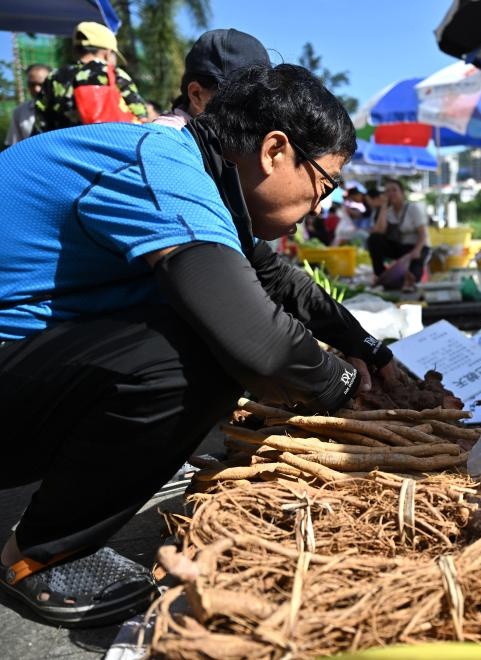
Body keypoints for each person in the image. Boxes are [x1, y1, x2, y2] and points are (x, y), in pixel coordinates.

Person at [0, 63, 397, 627]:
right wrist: (341, 384)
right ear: (275, 150)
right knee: (203, 349)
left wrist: (372, 351)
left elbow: (281, 282)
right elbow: (258, 341)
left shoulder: (199, 173)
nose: (319, 207)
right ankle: (39, 557)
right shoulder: (160, 167)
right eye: (323, 185)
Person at [34, 21, 147, 133]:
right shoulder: (114, 74)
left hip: (64, 148)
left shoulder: (54, 77)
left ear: (75, 51)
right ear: (107, 52)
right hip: (107, 146)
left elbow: (41, 123)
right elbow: (141, 116)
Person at [155, 28, 271, 130]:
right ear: (196, 94)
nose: (255, 112)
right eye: (241, 102)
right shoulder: (168, 140)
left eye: (260, 100)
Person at [367, 179, 431, 286]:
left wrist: (417, 250)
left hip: (418, 246)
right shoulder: (389, 212)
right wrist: (383, 206)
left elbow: (423, 233)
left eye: (394, 190)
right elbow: (378, 232)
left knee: (413, 276)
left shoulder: (413, 208)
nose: (391, 194)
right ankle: (380, 274)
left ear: (402, 192)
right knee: (373, 239)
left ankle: (407, 279)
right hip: (401, 247)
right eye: (387, 191)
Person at [4, 64, 50, 146]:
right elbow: (15, 146)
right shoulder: (20, 112)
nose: (36, 89)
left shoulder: (66, 107)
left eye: (41, 84)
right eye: (32, 84)